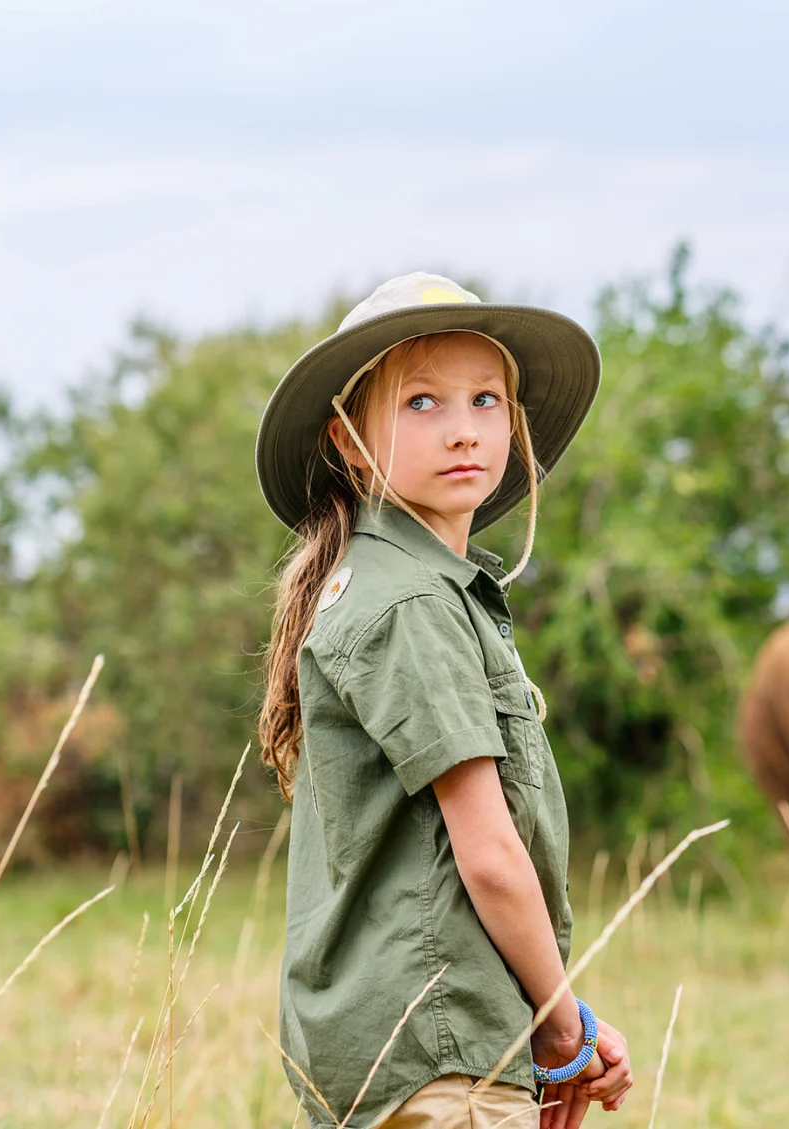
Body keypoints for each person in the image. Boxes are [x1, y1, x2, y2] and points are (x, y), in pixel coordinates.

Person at [255, 272, 633, 1129]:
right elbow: (490, 854)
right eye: (422, 402)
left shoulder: (391, 584)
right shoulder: (414, 604)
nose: (463, 429)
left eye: (486, 399)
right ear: (350, 442)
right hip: (441, 1052)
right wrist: (564, 1029)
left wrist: (549, 1021)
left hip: (405, 1047)